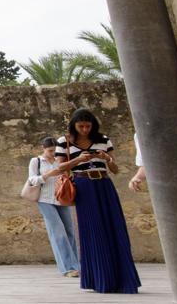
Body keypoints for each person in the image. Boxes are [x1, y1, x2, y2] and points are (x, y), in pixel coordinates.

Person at [55, 108, 140, 294]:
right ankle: (99, 279)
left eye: (88, 126)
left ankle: (123, 279)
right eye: (81, 126)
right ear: (74, 126)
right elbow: (60, 167)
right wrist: (78, 160)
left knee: (115, 227)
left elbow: (115, 169)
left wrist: (107, 158)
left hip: (104, 185)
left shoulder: (103, 139)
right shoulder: (64, 141)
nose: (85, 129)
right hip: (83, 187)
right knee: (92, 230)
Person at [26, 136, 79, 277]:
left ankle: (76, 266)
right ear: (43, 149)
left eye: (55, 150)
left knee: (69, 231)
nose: (53, 153)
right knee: (58, 233)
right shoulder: (36, 161)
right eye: (50, 151)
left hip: (62, 199)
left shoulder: (60, 160)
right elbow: (32, 179)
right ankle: (68, 268)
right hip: (45, 200)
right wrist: (48, 175)